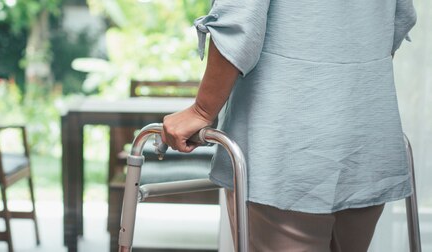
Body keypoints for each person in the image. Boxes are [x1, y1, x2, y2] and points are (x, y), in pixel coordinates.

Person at [161, 0, 417, 251]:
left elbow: (238, 24)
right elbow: (397, 23)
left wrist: (202, 110)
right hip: (365, 139)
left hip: (285, 147)